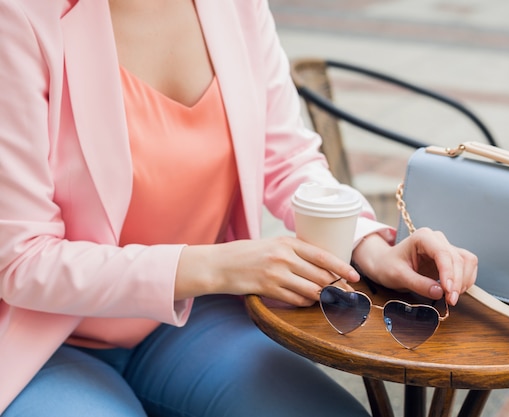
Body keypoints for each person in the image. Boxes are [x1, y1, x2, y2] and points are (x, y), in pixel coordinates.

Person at [0, 0, 478, 416]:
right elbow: (21, 259)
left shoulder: (235, 5)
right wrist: (219, 265)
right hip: (43, 339)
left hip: (190, 319)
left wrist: (368, 247)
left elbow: (286, 159)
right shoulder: (19, 17)